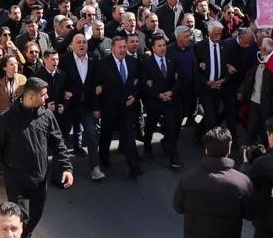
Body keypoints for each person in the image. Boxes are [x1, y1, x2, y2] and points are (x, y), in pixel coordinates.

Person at [0, 77, 74, 238]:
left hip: (39, 179)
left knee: (35, 217)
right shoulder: (6, 119)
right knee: (20, 221)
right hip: (16, 181)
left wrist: (67, 167)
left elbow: (58, 143)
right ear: (31, 96)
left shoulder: (46, 116)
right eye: (44, 95)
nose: (47, 98)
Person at [173, 126, 255, 238]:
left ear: (206, 149)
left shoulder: (188, 177)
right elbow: (251, 213)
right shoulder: (242, 182)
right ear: (229, 149)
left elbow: (179, 207)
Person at [58, 33, 105, 180]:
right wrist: (63, 94)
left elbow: (97, 83)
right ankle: (62, 170)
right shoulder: (64, 60)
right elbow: (59, 81)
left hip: (87, 107)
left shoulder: (93, 58)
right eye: (78, 42)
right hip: (69, 106)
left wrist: (97, 107)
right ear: (72, 45)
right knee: (63, 139)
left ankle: (95, 168)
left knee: (91, 136)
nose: (82, 45)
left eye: (84, 42)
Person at [95, 35, 143, 178]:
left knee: (128, 135)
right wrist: (96, 108)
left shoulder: (133, 62)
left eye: (124, 47)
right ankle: (103, 157)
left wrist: (134, 96)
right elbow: (97, 87)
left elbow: (138, 82)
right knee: (106, 134)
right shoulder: (103, 64)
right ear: (113, 48)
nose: (122, 50)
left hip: (127, 108)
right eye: (120, 47)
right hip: (109, 108)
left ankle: (133, 166)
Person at [141, 33, 182, 169]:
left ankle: (174, 157)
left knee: (171, 129)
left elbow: (178, 80)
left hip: (169, 100)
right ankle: (147, 149)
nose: (163, 48)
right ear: (153, 48)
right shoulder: (146, 63)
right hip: (154, 102)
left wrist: (171, 92)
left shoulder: (172, 59)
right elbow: (144, 84)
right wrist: (158, 95)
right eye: (159, 46)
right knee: (150, 128)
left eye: (164, 45)